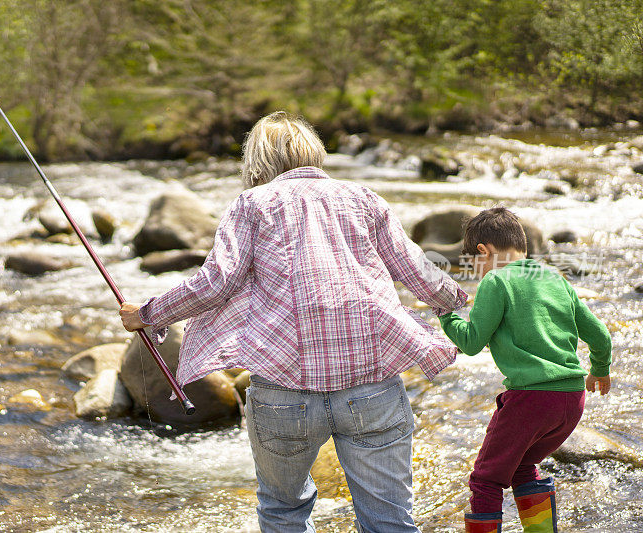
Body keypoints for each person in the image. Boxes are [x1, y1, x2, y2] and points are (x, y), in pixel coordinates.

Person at [120, 111, 467, 533]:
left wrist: (147, 315)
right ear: (313, 150)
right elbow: (418, 273)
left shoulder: (251, 204)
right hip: (372, 389)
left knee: (284, 512)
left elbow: (216, 283)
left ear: (258, 162)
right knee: (390, 520)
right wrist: (463, 305)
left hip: (284, 396)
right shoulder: (364, 197)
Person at [438, 207, 612, 533]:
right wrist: (599, 370)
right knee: (522, 467)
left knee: (486, 479)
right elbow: (600, 335)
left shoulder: (496, 280)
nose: (476, 273)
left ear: (483, 252)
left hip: (531, 400)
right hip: (572, 400)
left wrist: (446, 314)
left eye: (475, 266)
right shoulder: (555, 278)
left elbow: (473, 342)